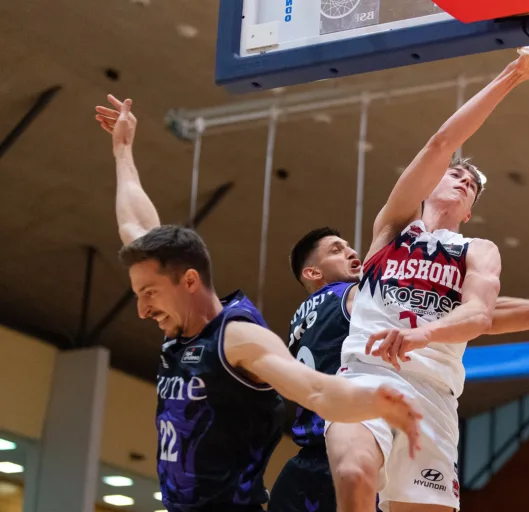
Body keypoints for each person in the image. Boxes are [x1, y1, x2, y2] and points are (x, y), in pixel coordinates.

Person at [322, 51, 529, 512]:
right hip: (368, 374)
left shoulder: (477, 251)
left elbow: (481, 315)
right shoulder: (394, 228)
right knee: (353, 473)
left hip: (434, 396)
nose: (463, 182)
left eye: (471, 187)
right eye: (455, 175)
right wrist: (514, 75)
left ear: (469, 212)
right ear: (431, 184)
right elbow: (440, 143)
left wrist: (421, 334)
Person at [94, 95, 422, 512]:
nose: (142, 310)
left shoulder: (239, 338)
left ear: (189, 281)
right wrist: (123, 151)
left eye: (149, 294)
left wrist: (380, 402)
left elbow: (317, 389)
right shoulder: (182, 316)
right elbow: (136, 227)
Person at [268, 227, 529, 512]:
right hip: (355, 458)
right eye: (335, 250)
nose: (348, 251)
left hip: (302, 471)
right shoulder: (360, 295)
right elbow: (480, 313)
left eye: (346, 246)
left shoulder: (302, 317)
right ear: (312, 272)